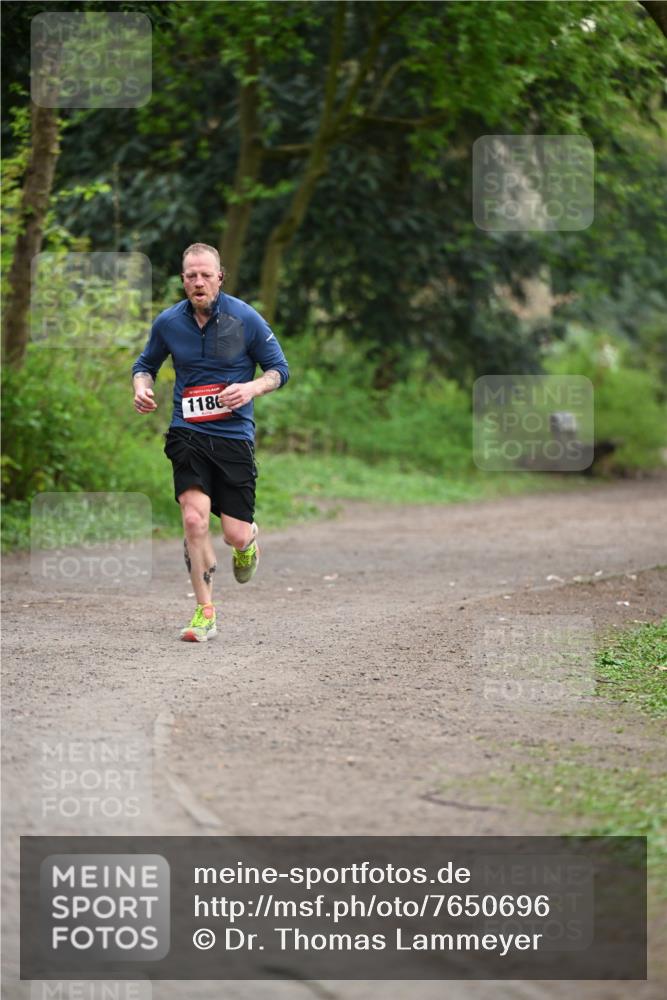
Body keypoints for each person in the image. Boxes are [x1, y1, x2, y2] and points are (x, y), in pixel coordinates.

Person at [132, 243, 289, 642]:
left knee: (234, 533)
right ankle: (205, 611)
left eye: (206, 275)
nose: (198, 282)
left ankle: (247, 543)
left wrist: (251, 389)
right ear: (182, 280)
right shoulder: (169, 322)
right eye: (191, 276)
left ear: (220, 277)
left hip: (233, 436)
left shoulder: (244, 318)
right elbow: (145, 365)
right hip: (188, 432)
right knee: (193, 519)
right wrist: (141, 387)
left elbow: (279, 370)